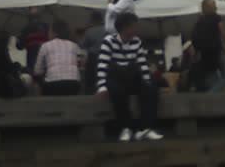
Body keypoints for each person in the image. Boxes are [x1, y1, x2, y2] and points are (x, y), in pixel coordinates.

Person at [97, 12, 163, 142]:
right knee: (117, 91)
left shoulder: (136, 41)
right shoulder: (109, 41)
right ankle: (125, 128)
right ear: (124, 28)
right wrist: (101, 87)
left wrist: (147, 82)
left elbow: (142, 63)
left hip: (131, 76)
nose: (136, 29)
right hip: (115, 76)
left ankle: (145, 129)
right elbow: (102, 64)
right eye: (133, 26)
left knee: (151, 89)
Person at [191, 0, 225, 92]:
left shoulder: (199, 21)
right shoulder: (216, 17)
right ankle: (209, 96)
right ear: (209, 7)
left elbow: (194, 38)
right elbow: (223, 33)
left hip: (205, 55)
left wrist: (197, 53)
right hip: (217, 51)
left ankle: (211, 100)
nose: (216, 6)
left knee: (213, 79)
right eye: (214, 4)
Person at [34, 20, 81, 96]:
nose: (48, 33)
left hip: (53, 85)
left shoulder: (45, 46)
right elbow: (80, 64)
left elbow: (37, 71)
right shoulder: (74, 45)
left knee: (38, 83)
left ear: (54, 32)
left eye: (49, 30)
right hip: (73, 84)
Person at [80, 11, 107, 94]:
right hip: (106, 56)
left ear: (93, 20)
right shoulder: (107, 30)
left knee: (90, 79)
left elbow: (83, 45)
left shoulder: (90, 31)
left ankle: (90, 94)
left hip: (93, 57)